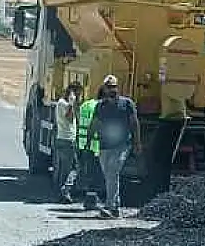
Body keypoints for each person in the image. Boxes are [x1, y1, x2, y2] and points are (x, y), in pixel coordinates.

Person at [86, 74, 141, 218]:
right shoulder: (100, 106)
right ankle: (115, 208)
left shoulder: (127, 104)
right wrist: (88, 141)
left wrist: (137, 142)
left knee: (112, 172)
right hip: (104, 147)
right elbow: (94, 124)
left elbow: (134, 123)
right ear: (104, 89)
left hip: (122, 145)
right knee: (109, 176)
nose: (112, 90)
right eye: (109, 87)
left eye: (114, 87)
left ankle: (111, 206)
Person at [75, 81, 105, 210]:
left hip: (83, 144)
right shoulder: (100, 107)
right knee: (96, 174)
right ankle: (91, 200)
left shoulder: (86, 104)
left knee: (87, 172)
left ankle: (88, 198)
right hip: (96, 145)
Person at [53, 82, 78, 203]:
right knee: (72, 168)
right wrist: (72, 104)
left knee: (63, 169)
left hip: (63, 139)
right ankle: (65, 191)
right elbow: (69, 117)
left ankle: (61, 193)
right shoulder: (63, 104)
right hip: (67, 140)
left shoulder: (62, 104)